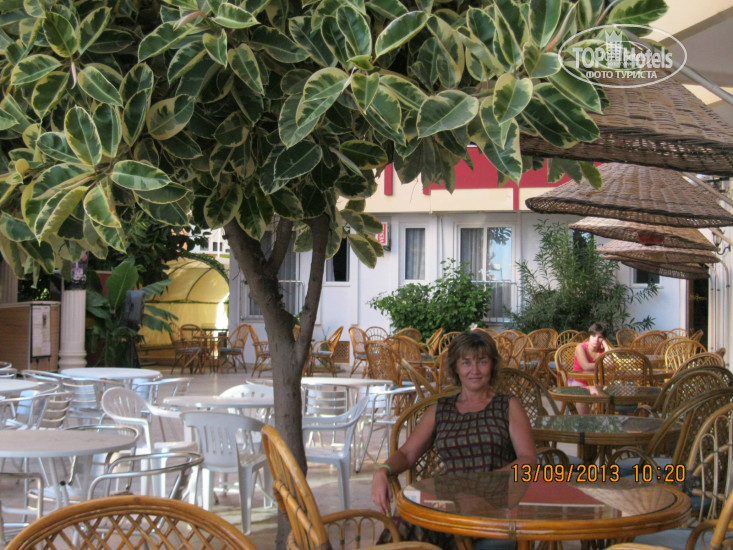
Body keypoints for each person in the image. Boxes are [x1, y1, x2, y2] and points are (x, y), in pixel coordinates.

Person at [371, 330, 537, 549]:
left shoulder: (507, 405)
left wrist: (485, 485)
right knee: (402, 527)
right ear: (456, 368)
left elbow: (528, 459)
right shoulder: (441, 409)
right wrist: (383, 470)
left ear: (492, 365)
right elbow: (406, 453)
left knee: (409, 530)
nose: (474, 370)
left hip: (492, 503)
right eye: (466, 363)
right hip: (448, 503)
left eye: (482, 361)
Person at [569, 322, 611, 414]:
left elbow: (612, 365)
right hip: (578, 380)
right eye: (593, 336)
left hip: (596, 381)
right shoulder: (581, 347)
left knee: (611, 393)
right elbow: (586, 366)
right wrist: (603, 365)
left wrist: (607, 347)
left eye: (600, 337)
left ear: (604, 339)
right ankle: (585, 421)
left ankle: (602, 418)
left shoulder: (603, 350)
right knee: (582, 396)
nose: (596, 339)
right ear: (589, 336)